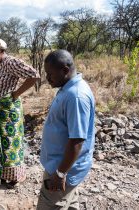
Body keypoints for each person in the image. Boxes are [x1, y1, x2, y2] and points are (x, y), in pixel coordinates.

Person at [36, 50, 95, 210]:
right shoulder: (67, 87)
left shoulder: (76, 96)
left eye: (50, 74)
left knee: (50, 204)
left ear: (65, 70)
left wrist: (60, 174)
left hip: (63, 168)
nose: (47, 78)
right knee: (70, 203)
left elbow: (77, 140)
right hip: (63, 165)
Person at [0, 38, 40, 187]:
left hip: (9, 110)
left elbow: (34, 75)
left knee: (10, 142)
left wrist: (16, 94)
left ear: (1, 51)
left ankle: (14, 177)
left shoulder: (11, 63)